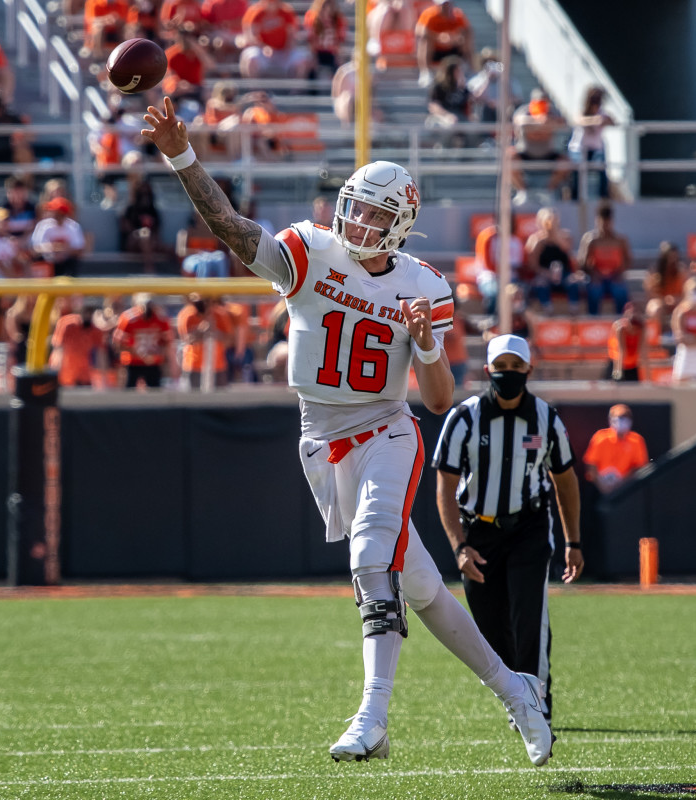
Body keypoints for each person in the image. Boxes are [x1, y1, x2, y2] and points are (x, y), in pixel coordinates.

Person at [142, 96, 554, 766]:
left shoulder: (423, 287)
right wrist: (180, 155)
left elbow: (441, 399)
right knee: (420, 588)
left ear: (402, 225)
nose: (360, 220)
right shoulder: (311, 251)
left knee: (370, 559)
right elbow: (227, 226)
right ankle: (517, 691)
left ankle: (374, 716)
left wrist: (424, 344)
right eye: (356, 206)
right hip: (324, 441)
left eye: (377, 213)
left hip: (387, 433)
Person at [432, 334, 582, 728]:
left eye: (516, 367)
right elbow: (445, 487)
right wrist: (459, 546)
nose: (509, 374)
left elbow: (565, 480)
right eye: (502, 367)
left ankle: (537, 698)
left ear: (529, 370)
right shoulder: (464, 417)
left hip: (529, 526)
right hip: (478, 531)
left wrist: (573, 541)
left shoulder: (546, 418)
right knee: (489, 627)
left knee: (528, 615)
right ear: (488, 371)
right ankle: (515, 693)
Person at [510, 89, 570, 203]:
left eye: (544, 102)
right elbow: (517, 120)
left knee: (565, 162)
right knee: (509, 158)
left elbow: (564, 122)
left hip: (548, 154)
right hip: (526, 153)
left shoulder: (552, 112)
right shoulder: (524, 111)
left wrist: (550, 121)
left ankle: (548, 191)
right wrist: (536, 121)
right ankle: (523, 192)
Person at [577, 202, 631, 315]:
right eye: (602, 223)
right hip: (596, 277)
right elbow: (582, 262)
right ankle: (593, 321)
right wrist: (594, 274)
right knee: (594, 291)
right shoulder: (590, 240)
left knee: (620, 291)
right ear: (597, 221)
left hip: (614, 276)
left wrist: (619, 274)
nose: (605, 226)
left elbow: (628, 260)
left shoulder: (620, 240)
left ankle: (620, 320)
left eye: (607, 222)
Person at [583, 403, 648, 494]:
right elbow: (591, 464)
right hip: (600, 488)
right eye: (619, 418)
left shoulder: (636, 440)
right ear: (611, 420)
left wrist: (622, 482)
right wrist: (602, 485)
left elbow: (640, 467)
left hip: (626, 489)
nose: (622, 422)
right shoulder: (601, 438)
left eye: (626, 419)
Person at [114, 292, 172, 389]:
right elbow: (118, 344)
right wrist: (139, 354)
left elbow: (166, 342)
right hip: (133, 362)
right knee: (128, 394)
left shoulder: (160, 318)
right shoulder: (129, 319)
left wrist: (158, 355)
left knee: (155, 394)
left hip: (153, 362)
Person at [177, 292, 233, 388]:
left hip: (217, 364)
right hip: (194, 363)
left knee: (220, 397)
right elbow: (187, 340)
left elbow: (228, 340)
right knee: (194, 397)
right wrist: (201, 330)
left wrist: (214, 332)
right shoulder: (188, 315)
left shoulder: (220, 315)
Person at [567, 85, 614, 200]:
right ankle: (575, 199)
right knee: (577, 171)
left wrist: (603, 120)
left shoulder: (602, 114)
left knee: (602, 170)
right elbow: (578, 120)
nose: (596, 104)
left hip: (595, 150)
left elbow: (612, 121)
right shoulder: (582, 112)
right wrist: (594, 120)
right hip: (578, 150)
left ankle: (604, 200)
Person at [415, 0, 472, 88]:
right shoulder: (430, 14)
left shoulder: (458, 15)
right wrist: (439, 38)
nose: (446, 7)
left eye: (448, 5)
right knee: (425, 42)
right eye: (444, 5)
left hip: (452, 48)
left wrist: (455, 38)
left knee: (466, 40)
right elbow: (420, 31)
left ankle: (468, 69)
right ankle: (425, 73)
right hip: (435, 50)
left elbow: (467, 31)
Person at [51, 301, 104, 388]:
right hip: (66, 372)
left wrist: (102, 378)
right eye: (86, 311)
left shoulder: (96, 330)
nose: (88, 315)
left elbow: (101, 355)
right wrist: (55, 371)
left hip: (84, 374)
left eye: (91, 311)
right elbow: (58, 350)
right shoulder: (67, 324)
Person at [30, 197, 86, 278]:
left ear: (64, 213)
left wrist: (63, 250)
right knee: (38, 261)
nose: (54, 215)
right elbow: (35, 249)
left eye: (57, 212)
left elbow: (79, 250)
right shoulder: (43, 225)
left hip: (66, 263)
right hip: (48, 262)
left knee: (73, 262)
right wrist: (51, 248)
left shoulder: (73, 227)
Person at [607, 301, 648, 382]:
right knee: (616, 385)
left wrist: (648, 378)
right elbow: (621, 352)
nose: (633, 331)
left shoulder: (641, 328)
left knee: (635, 391)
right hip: (617, 363)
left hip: (632, 365)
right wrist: (617, 375)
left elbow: (643, 352)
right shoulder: (620, 328)